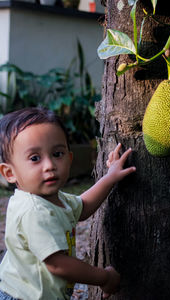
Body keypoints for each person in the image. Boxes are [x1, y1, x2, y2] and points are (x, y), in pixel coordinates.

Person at [0, 107, 136, 300]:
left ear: (69, 158)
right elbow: (58, 264)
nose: (49, 165)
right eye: (35, 158)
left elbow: (83, 207)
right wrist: (104, 277)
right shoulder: (33, 210)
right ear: (9, 173)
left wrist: (110, 177)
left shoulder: (50, 198)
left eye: (57, 154)